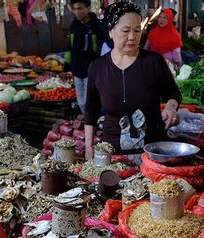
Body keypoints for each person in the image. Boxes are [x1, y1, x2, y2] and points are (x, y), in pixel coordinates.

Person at [83, 1, 182, 160]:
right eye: (126, 30)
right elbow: (91, 108)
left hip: (152, 152)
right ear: (111, 31)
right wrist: (88, 147)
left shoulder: (154, 61)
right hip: (111, 153)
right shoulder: (97, 67)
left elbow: (173, 92)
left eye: (137, 30)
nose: (132, 37)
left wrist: (171, 106)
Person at [70, 0, 104, 113]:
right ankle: (86, 124)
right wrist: (70, 66)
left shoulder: (97, 26)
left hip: (92, 70)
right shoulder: (74, 25)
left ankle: (92, 124)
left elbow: (101, 49)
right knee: (81, 102)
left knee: (91, 101)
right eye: (74, 9)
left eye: (80, 8)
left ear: (88, 8)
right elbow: (72, 47)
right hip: (77, 69)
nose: (76, 12)